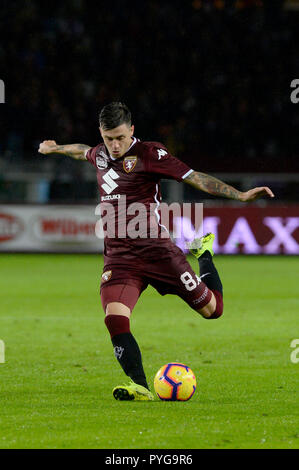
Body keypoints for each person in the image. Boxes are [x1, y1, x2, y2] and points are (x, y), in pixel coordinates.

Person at [39, 101, 274, 401]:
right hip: (119, 257)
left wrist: (240, 195)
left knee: (213, 310)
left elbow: (195, 177)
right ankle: (140, 386)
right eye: (108, 138)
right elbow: (81, 150)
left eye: (121, 137)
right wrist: (56, 148)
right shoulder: (99, 154)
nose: (114, 144)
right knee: (114, 318)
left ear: (132, 130)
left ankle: (203, 252)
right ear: (101, 133)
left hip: (158, 253)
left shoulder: (150, 154)